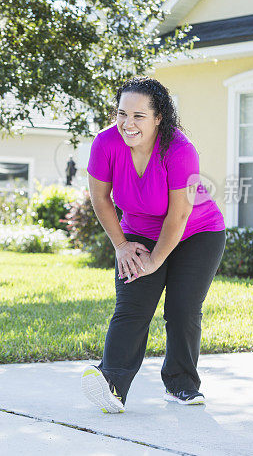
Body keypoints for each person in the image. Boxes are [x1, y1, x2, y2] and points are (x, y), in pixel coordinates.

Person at [80, 77, 226, 413]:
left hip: (197, 232)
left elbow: (178, 216)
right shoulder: (105, 144)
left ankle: (181, 386)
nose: (127, 124)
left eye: (138, 116)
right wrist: (121, 245)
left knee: (182, 308)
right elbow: (100, 198)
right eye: (122, 114)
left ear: (158, 117)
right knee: (133, 305)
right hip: (138, 232)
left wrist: (156, 261)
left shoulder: (179, 149)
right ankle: (111, 384)